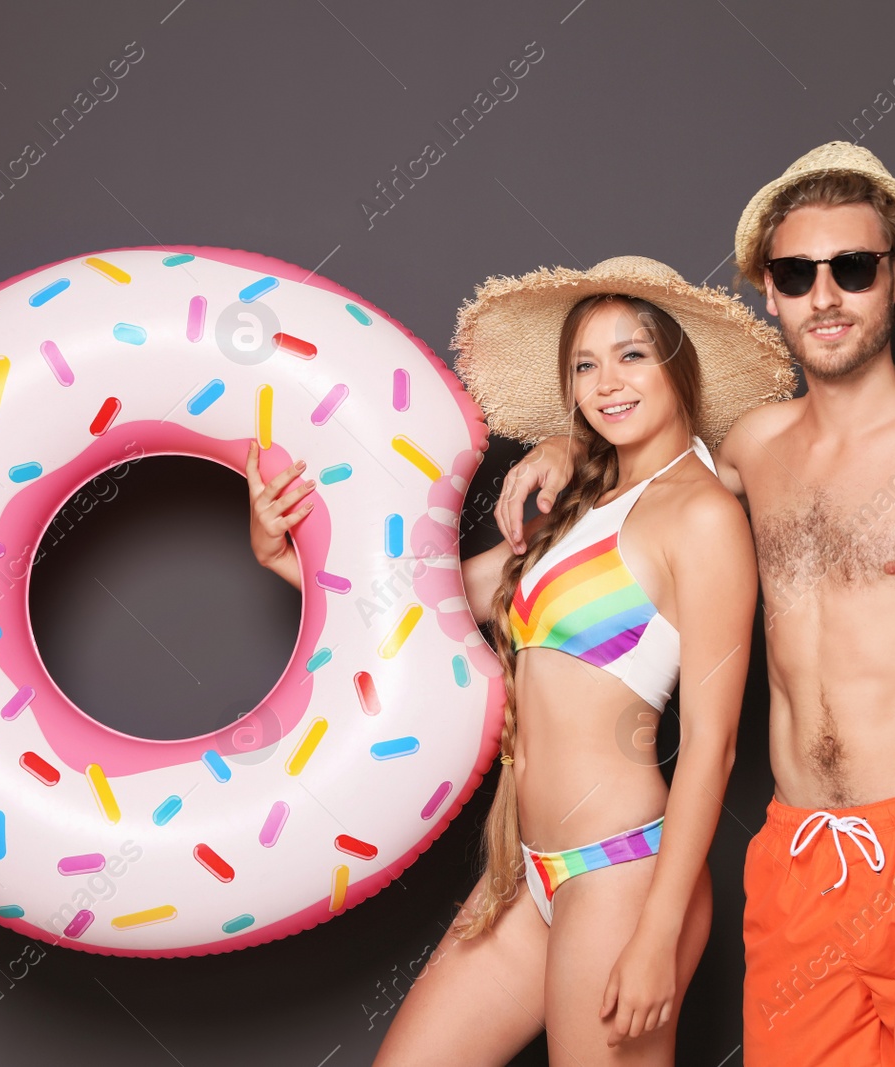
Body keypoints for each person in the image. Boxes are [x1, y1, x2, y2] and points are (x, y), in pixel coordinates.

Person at [495, 144, 895, 1065]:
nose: (824, 296)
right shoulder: (751, 446)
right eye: (797, 273)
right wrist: (561, 440)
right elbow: (643, 452)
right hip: (798, 864)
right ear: (769, 292)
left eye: (852, 268)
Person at [248, 255, 794, 1064]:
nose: (607, 380)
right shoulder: (574, 518)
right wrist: (278, 550)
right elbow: (412, 600)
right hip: (526, 869)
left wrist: (658, 932)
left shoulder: (703, 518)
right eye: (586, 362)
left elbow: (714, 746)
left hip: (623, 873)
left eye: (633, 353)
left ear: (679, 364)